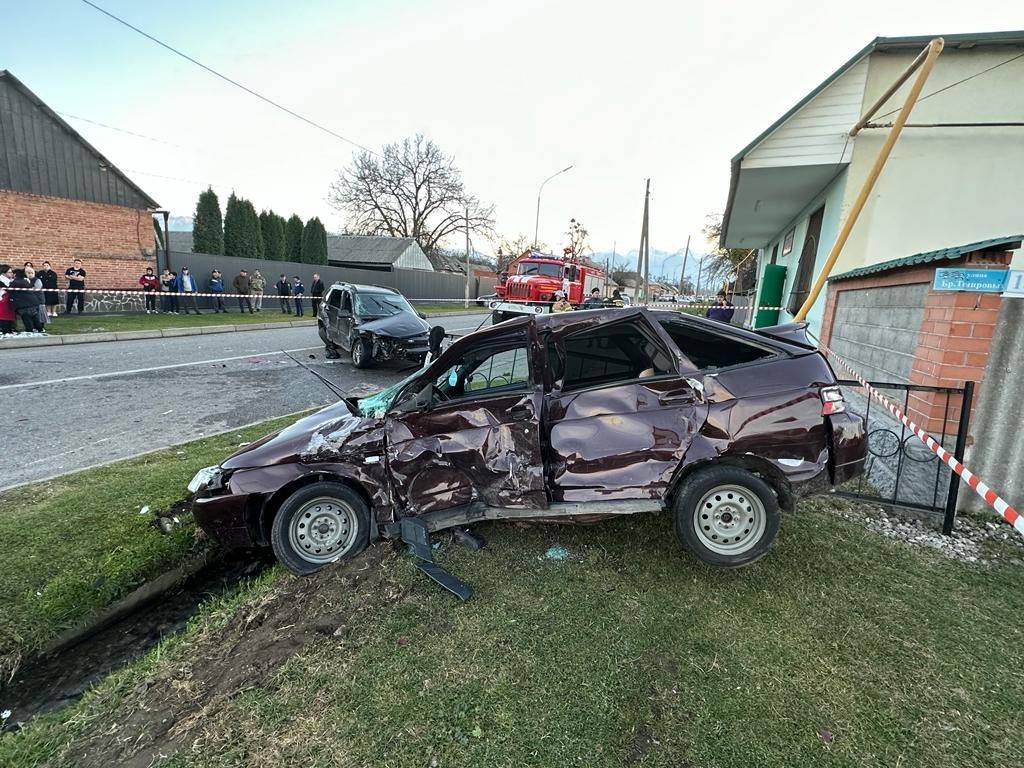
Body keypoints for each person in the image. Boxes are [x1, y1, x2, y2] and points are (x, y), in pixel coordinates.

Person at [11, 266, 44, 333]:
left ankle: (30, 331)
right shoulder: (25, 281)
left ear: (15, 274)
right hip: (33, 302)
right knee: (35, 318)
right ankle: (40, 330)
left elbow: (9, 291)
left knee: (27, 320)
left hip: (23, 305)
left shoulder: (15, 282)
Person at [0, 264, 15, 335]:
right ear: (4, 273)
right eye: (9, 272)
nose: (11, 273)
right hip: (3, 300)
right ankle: (5, 331)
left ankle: (10, 329)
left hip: (8, 300)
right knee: (4, 316)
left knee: (9, 316)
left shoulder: (9, 280)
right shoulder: (2, 280)